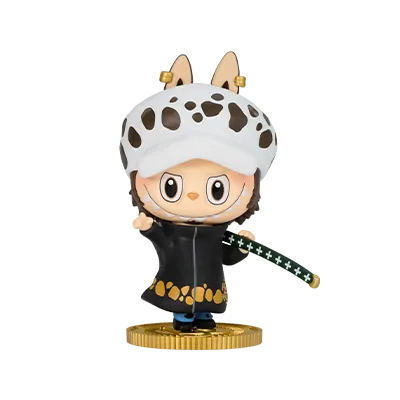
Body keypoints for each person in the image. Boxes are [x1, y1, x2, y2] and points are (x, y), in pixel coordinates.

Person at [121, 51, 277, 332]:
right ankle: (183, 317)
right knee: (183, 303)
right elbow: (162, 241)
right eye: (171, 186)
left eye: (218, 189)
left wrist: (241, 247)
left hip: (211, 288)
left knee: (207, 304)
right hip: (175, 285)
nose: (193, 197)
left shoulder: (218, 234)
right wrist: (147, 227)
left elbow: (225, 257)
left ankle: (204, 315)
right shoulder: (174, 232)